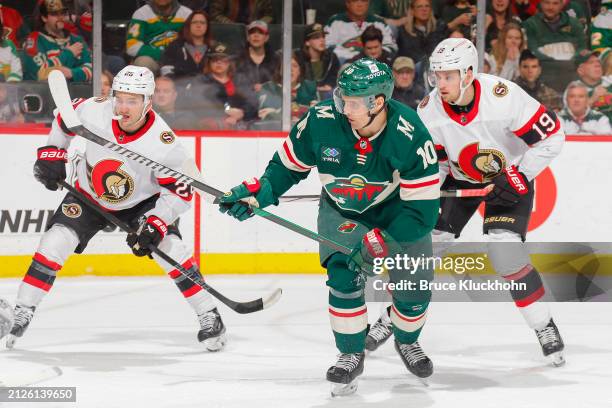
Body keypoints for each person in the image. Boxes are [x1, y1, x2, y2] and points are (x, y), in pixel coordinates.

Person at [218, 58, 440, 396]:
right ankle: (350, 353)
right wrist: (260, 193)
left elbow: (423, 211)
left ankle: (407, 341)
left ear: (377, 102)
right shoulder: (321, 120)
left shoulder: (409, 133)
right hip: (343, 212)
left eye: (352, 101)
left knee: (414, 292)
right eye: (342, 96)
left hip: (399, 216)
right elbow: (287, 167)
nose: (342, 105)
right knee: (343, 273)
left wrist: (383, 240)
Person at [366, 38, 567, 368]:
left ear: (469, 73)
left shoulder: (504, 98)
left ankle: (543, 324)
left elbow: (553, 136)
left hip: (509, 179)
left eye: (448, 76)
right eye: (437, 75)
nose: (440, 83)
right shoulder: (428, 111)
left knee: (505, 254)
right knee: (419, 254)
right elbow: (437, 164)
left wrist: (520, 174)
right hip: (459, 181)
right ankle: (392, 319)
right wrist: (425, 188)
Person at [1, 66, 226, 352]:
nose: (122, 107)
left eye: (132, 101)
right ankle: (23, 309)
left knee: (171, 250)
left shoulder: (164, 144)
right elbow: (63, 119)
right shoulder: (95, 110)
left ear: (148, 102)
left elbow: (179, 193)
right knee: (55, 241)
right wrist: (53, 154)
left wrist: (156, 222)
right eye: (119, 98)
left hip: (142, 204)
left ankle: (209, 314)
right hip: (88, 195)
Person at [181, 43, 254, 129]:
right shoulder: (200, 81)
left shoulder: (240, 80)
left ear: (229, 62)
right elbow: (195, 106)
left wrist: (242, 113)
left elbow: (253, 103)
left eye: (223, 59)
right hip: (209, 127)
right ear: (209, 63)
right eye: (215, 59)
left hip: (240, 126)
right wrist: (225, 113)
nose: (219, 63)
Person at [22, 0, 92, 82]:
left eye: (62, 12)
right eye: (54, 14)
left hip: (78, 93)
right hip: (44, 92)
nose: (60, 17)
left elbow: (93, 69)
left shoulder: (77, 40)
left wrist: (72, 73)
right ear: (44, 18)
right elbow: (37, 73)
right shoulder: (34, 40)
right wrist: (68, 54)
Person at [126, 0, 192, 74]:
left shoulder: (187, 13)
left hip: (180, 58)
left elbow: (195, 42)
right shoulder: (141, 13)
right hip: (152, 59)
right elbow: (132, 47)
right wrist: (162, 54)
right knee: (142, 63)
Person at [325, 0, 397, 64]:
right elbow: (328, 47)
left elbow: (391, 47)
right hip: (345, 63)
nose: (360, 5)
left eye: (363, 0)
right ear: (347, 3)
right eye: (355, 1)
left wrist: (371, 56)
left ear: (368, 3)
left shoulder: (379, 22)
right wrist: (355, 57)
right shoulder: (335, 21)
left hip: (376, 62)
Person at [256, 52, 318, 123]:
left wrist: (278, 111)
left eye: (294, 66)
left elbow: (317, 114)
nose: (290, 70)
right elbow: (266, 116)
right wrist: (302, 111)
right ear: (279, 70)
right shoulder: (267, 88)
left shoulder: (310, 87)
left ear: (300, 70)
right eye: (286, 66)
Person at [396, 0, 455, 69]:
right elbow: (408, 54)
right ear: (412, 11)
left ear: (431, 10)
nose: (424, 9)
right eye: (419, 6)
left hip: (438, 67)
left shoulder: (440, 27)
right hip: (412, 70)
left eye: (427, 6)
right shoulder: (403, 31)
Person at [160, 10, 213, 78]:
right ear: (188, 25)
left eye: (202, 23)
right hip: (179, 86)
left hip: (208, 87)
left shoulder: (215, 48)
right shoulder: (175, 46)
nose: (198, 25)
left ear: (207, 26)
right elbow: (166, 70)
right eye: (194, 22)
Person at [294, 23, 340, 100]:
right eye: (316, 37)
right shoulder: (298, 58)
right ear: (307, 42)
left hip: (327, 94)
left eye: (323, 36)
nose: (322, 40)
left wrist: (329, 85)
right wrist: (315, 88)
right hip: (303, 94)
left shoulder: (331, 57)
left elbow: (335, 75)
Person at [234, 20, 278, 95]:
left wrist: (265, 88)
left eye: (260, 32)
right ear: (248, 37)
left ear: (266, 37)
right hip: (243, 101)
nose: (256, 35)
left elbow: (280, 85)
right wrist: (251, 87)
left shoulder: (276, 60)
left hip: (270, 101)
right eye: (252, 32)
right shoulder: (236, 60)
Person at [576, 50, 612, 122]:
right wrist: (593, 98)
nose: (597, 65)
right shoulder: (576, 90)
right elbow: (573, 117)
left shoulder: (606, 86)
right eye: (591, 62)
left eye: (598, 62)